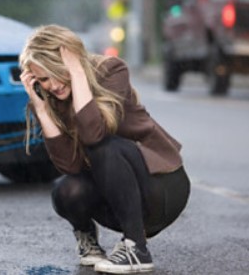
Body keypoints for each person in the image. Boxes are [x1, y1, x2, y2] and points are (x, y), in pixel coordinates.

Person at [19, 25, 190, 274]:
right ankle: (89, 242)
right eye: (44, 79)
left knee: (102, 147)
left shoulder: (111, 71)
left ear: (73, 61)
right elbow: (70, 166)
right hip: (121, 201)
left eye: (58, 72)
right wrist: (42, 111)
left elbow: (93, 135)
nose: (53, 85)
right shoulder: (52, 99)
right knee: (65, 190)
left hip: (162, 188)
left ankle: (136, 249)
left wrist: (77, 72)